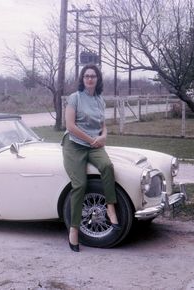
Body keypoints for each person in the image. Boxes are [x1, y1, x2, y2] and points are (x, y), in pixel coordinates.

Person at [62, 63, 120, 252]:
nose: (89, 79)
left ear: (97, 79)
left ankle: (111, 207)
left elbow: (103, 125)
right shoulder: (75, 98)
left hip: (94, 144)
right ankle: (74, 230)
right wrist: (91, 140)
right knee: (80, 185)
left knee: (107, 167)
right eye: (86, 76)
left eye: (93, 76)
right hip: (75, 145)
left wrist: (103, 137)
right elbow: (70, 126)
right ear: (82, 79)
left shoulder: (100, 100)